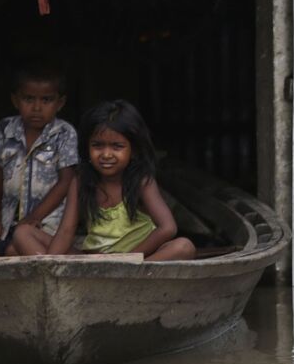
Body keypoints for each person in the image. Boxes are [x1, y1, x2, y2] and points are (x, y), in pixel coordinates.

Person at [18, 100, 196, 261]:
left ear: (133, 150)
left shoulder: (141, 180)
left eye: (117, 146)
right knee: (23, 233)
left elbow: (168, 228)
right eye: (97, 145)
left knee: (183, 247)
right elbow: (66, 231)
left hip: (137, 260)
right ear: (87, 147)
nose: (106, 154)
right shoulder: (80, 181)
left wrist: (128, 260)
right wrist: (51, 264)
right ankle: (66, 282)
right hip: (94, 262)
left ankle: (125, 279)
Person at [0, 66, 78, 263]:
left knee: (14, 253)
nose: (37, 108)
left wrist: (34, 218)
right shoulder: (5, 129)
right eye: (28, 99)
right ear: (15, 100)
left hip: (45, 227)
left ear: (60, 103)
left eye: (46, 100)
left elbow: (66, 181)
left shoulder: (64, 134)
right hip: (6, 224)